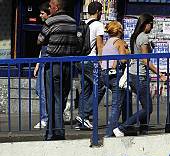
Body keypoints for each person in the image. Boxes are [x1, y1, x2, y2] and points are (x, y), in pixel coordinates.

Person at [113, 13, 166, 137]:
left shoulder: (134, 36)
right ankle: (122, 127)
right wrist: (160, 74)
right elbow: (145, 60)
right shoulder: (143, 38)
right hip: (140, 76)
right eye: (151, 24)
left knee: (145, 105)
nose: (152, 27)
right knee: (148, 108)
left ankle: (143, 130)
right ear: (146, 24)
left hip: (133, 73)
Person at [37, 0, 80, 141]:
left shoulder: (51, 21)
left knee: (52, 99)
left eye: (50, 6)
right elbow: (77, 42)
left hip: (53, 63)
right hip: (68, 64)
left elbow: (40, 40)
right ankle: (56, 131)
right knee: (61, 99)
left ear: (57, 7)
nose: (49, 8)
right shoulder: (73, 22)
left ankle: (54, 132)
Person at [75, 1, 105, 130]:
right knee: (101, 87)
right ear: (98, 12)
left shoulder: (83, 23)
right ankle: (84, 115)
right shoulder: (98, 25)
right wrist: (102, 61)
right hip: (91, 60)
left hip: (80, 60)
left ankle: (82, 121)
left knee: (86, 89)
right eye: (101, 11)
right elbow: (99, 45)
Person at [98, 21, 129, 137]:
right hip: (116, 74)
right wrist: (126, 50)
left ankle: (117, 128)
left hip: (105, 74)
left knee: (119, 101)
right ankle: (109, 132)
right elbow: (123, 60)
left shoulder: (107, 43)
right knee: (116, 105)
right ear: (119, 31)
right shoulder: (119, 42)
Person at [33, 1, 50, 130]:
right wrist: (38, 64)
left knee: (43, 91)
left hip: (47, 61)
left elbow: (41, 42)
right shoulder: (45, 25)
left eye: (42, 13)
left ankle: (45, 118)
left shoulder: (48, 26)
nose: (40, 15)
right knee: (39, 90)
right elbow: (42, 48)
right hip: (43, 61)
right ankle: (47, 117)